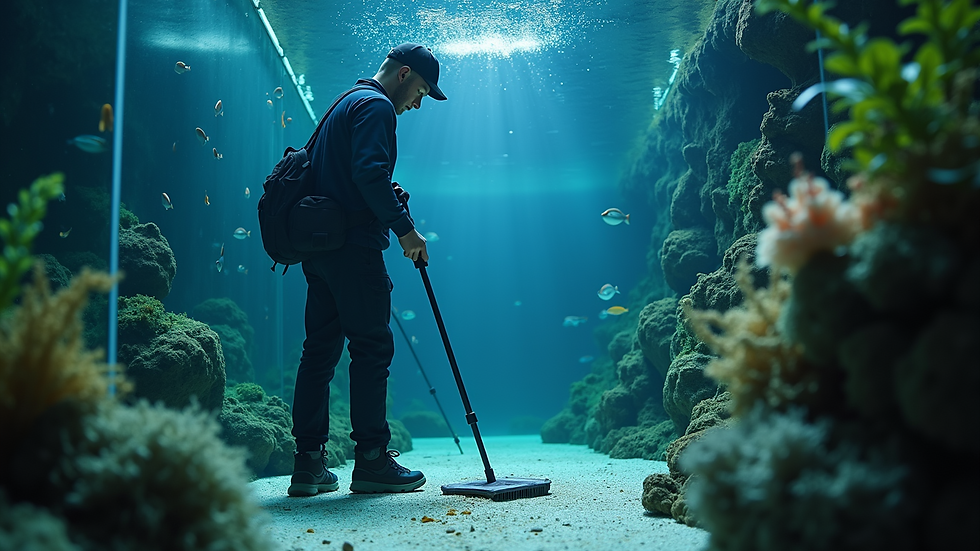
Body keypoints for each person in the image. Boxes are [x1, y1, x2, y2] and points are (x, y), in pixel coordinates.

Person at [287, 43, 447, 497]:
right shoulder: (377, 107)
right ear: (404, 75)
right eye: (421, 91)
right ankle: (373, 460)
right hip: (355, 251)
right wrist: (406, 231)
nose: (418, 103)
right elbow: (369, 175)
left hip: (321, 250)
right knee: (372, 348)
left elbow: (342, 176)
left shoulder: (344, 102)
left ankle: (308, 464)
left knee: (318, 353)